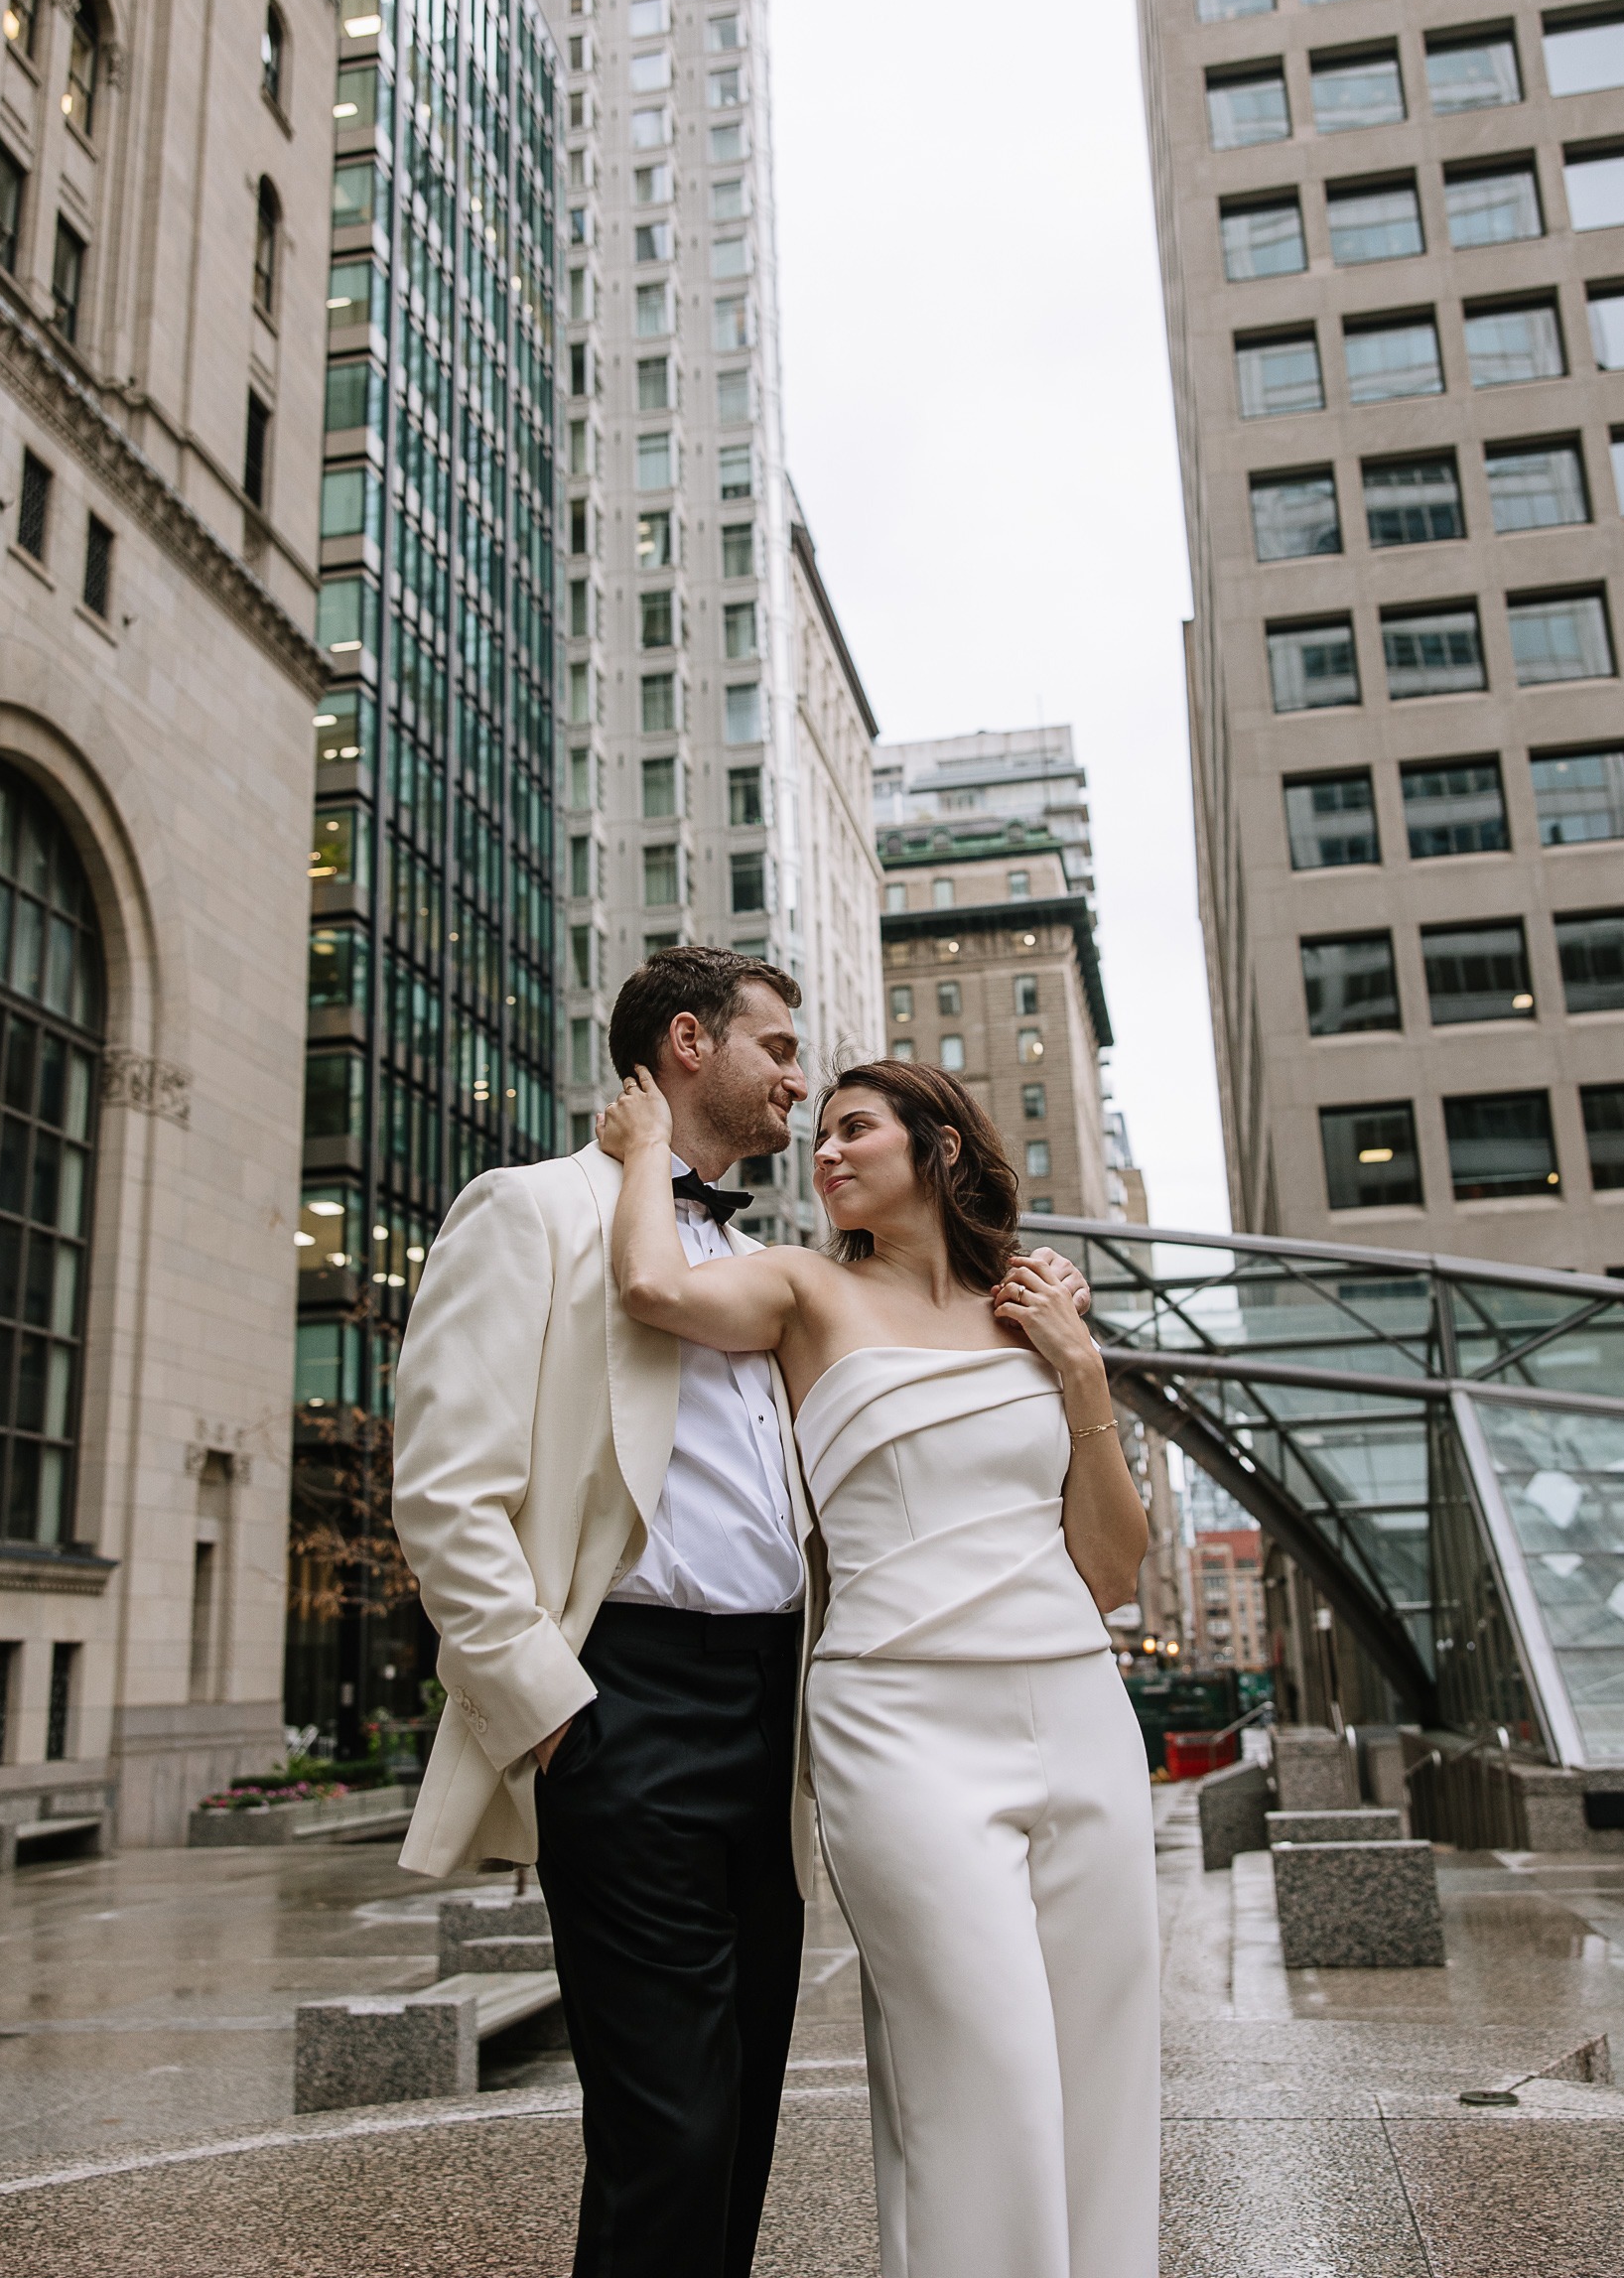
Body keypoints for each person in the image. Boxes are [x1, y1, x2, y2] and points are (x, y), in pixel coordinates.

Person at [389, 947, 1103, 2278]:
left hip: (777, 1712)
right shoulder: (529, 1212)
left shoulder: (771, 1267)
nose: (793, 1078)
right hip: (623, 1704)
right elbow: (442, 1498)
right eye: (775, 1050)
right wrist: (552, 1718)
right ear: (683, 1046)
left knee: (740, 2115)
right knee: (668, 2126)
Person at [598, 1054, 1161, 2278]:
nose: (828, 1151)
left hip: (1077, 1705)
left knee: (1102, 2057)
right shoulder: (803, 1287)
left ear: (940, 1149)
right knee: (985, 2061)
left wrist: (1080, 1372)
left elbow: (1113, 1572)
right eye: (822, 1135)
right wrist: (647, 1146)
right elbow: (647, 1283)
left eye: (857, 1130)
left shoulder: (1035, 1311)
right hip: (898, 1722)